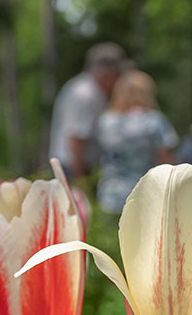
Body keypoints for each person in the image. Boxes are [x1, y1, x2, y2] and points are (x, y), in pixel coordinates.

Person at [95, 70, 178, 212]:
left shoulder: (106, 121)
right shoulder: (154, 121)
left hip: (110, 195)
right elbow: (166, 162)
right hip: (145, 196)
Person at [49, 42, 126, 179]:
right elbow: (76, 139)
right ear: (108, 73)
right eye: (117, 75)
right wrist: (81, 180)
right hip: (73, 167)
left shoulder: (90, 90)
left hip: (74, 165)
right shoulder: (85, 95)